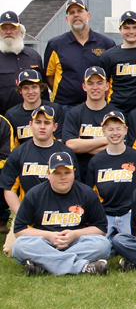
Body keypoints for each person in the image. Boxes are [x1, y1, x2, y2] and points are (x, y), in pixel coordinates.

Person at [11, 151, 110, 276]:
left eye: (67, 172)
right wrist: (50, 236)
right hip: (45, 243)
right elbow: (20, 229)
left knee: (103, 244)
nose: (63, 177)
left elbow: (101, 228)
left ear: (74, 172)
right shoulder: (34, 194)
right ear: (48, 174)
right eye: (57, 173)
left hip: (76, 242)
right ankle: (82, 267)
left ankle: (45, 266)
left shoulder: (87, 193)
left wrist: (74, 234)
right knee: (20, 245)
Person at [0, 105, 77, 255]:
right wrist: (22, 214)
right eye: (38, 122)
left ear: (55, 127)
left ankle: (42, 256)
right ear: (30, 125)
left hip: (60, 213)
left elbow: (75, 186)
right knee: (11, 250)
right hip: (28, 212)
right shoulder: (19, 153)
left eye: (47, 123)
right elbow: (8, 189)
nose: (42, 126)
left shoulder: (65, 153)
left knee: (67, 243)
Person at [43, 0, 116, 112]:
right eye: (71, 13)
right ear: (67, 19)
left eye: (79, 11)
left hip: (98, 107)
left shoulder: (106, 43)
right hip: (65, 107)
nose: (76, 15)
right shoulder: (55, 45)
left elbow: (111, 76)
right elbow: (49, 76)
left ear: (88, 15)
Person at [84, 111, 136, 241]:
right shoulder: (96, 161)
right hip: (105, 214)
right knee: (99, 243)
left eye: (119, 129)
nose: (115, 133)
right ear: (103, 131)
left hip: (129, 213)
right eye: (110, 129)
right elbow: (89, 193)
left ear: (125, 130)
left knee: (134, 242)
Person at [62, 66, 117, 171]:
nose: (95, 87)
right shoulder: (74, 114)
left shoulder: (115, 114)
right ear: (84, 87)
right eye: (90, 83)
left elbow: (118, 147)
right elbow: (71, 145)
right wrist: (105, 140)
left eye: (99, 83)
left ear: (107, 86)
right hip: (82, 173)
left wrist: (83, 147)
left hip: (109, 172)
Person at [0, 11, 45, 115]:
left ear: (21, 31)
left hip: (35, 117)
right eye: (4, 28)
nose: (8, 32)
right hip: (3, 119)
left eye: (12, 28)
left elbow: (43, 87)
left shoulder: (34, 56)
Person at [5, 69, 64, 147]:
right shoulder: (12, 115)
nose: (30, 91)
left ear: (41, 88)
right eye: (25, 88)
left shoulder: (55, 109)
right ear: (20, 90)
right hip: (23, 157)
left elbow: (60, 140)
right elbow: (11, 146)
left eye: (34, 87)